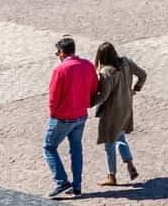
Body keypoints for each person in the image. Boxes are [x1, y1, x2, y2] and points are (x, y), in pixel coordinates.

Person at [44, 37, 98, 198]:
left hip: (62, 117)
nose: (58, 56)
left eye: (58, 53)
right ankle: (77, 185)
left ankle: (61, 181)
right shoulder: (88, 65)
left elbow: (54, 97)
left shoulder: (60, 70)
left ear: (62, 52)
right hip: (81, 115)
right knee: (76, 149)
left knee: (49, 147)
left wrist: (53, 114)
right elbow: (94, 88)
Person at [88, 41, 147, 188]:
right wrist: (136, 88)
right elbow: (143, 75)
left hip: (112, 111)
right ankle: (130, 164)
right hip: (126, 107)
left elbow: (104, 95)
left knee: (109, 143)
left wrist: (88, 103)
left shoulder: (106, 72)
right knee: (120, 137)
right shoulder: (126, 62)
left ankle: (111, 175)